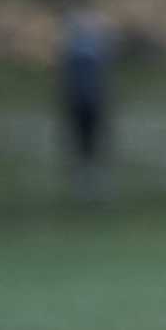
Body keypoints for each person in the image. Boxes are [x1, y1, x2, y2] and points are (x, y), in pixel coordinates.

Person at [59, 10, 112, 195]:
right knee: (81, 141)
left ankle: (91, 177)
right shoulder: (77, 53)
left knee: (92, 140)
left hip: (90, 102)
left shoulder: (86, 52)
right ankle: (83, 178)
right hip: (82, 102)